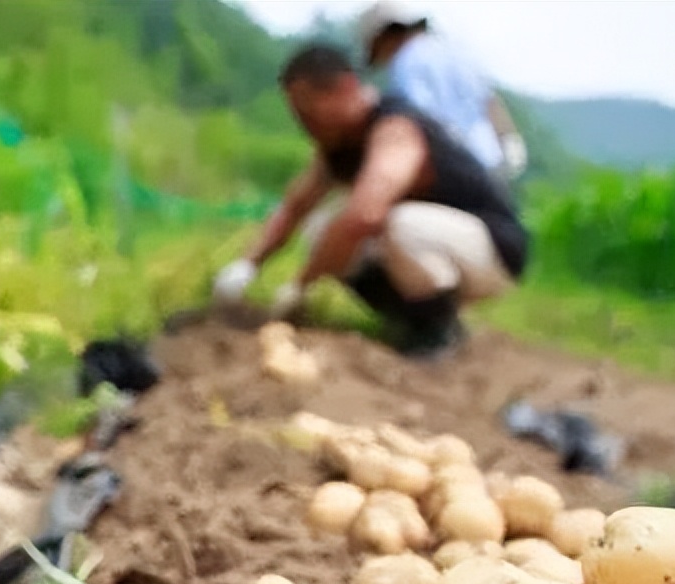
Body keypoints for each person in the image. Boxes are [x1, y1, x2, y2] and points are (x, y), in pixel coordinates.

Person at [212, 44, 529, 359]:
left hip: (492, 250)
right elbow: (295, 207)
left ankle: (438, 332)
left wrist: (300, 285)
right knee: (321, 231)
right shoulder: (339, 147)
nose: (304, 123)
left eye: (309, 110)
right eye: (298, 113)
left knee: (396, 223)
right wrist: (247, 265)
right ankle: (409, 322)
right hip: (441, 249)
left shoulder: (395, 127)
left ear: (345, 88)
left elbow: (365, 215)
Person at [357, 0, 528, 185]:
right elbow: (489, 100)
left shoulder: (405, 64)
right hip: (489, 161)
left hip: (452, 167)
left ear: (385, 37)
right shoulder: (452, 51)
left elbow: (421, 119)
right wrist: (509, 139)